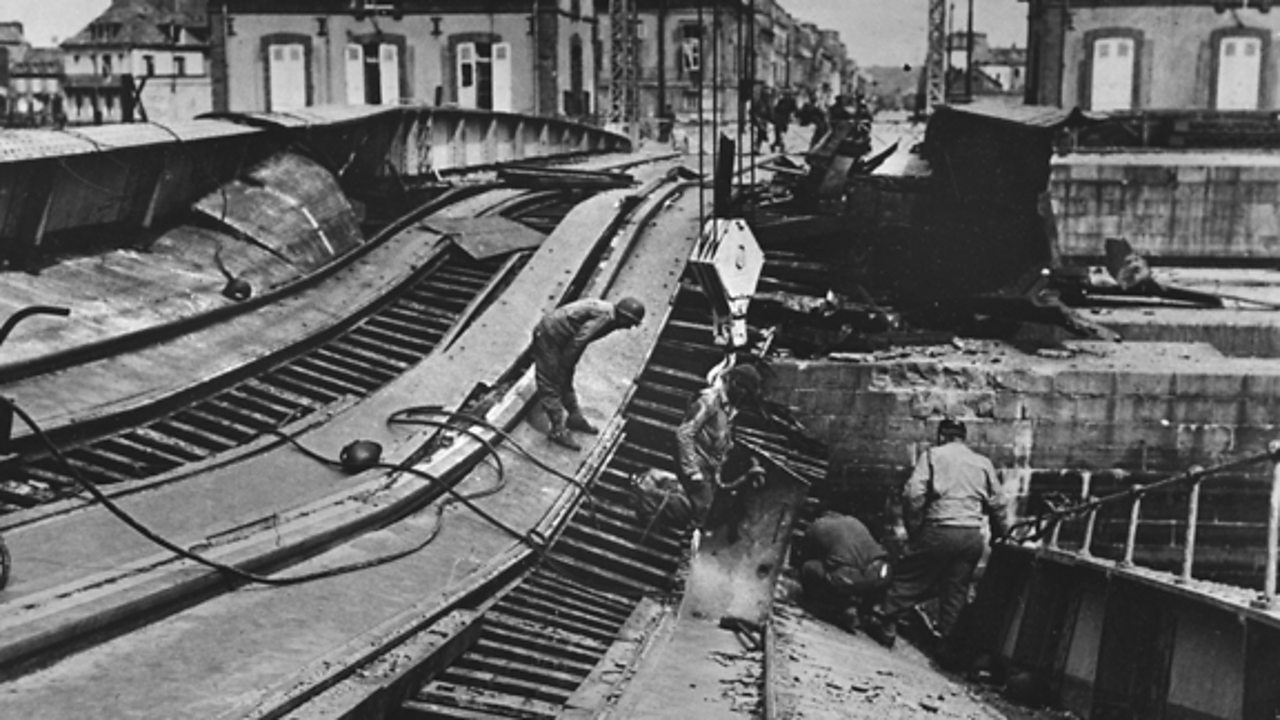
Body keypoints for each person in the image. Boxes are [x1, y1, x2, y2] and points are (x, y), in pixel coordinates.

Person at [865, 418, 1010, 653]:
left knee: (909, 576)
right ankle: (947, 646)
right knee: (956, 590)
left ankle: (885, 621)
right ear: (963, 437)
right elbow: (999, 504)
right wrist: (1000, 535)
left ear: (942, 435)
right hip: (971, 536)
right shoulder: (983, 463)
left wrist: (915, 529)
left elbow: (913, 495)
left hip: (940, 529)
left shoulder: (932, 456)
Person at [532, 297, 646, 450]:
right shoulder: (606, 318)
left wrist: (567, 367)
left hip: (563, 335)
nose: (630, 327)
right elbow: (579, 341)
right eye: (630, 322)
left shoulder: (611, 314)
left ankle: (574, 417)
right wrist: (566, 365)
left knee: (565, 377)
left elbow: (579, 341)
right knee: (550, 381)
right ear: (623, 316)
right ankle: (558, 430)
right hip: (550, 335)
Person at [675, 363, 762, 528]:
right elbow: (684, 433)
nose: (744, 397)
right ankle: (684, 547)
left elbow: (720, 436)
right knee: (699, 515)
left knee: (706, 513)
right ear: (734, 383)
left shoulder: (728, 407)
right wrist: (692, 471)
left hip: (711, 470)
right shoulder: (709, 401)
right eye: (744, 391)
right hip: (698, 468)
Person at [797, 509, 891, 634]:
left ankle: (843, 606)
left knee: (808, 567)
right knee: (866, 577)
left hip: (847, 577)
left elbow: (805, 555)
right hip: (880, 571)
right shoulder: (853, 521)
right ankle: (868, 613)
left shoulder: (816, 526)